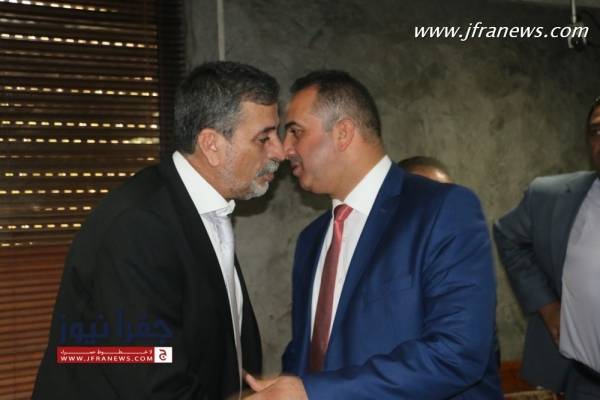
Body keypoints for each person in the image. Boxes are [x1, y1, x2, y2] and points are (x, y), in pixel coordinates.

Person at [32, 61, 285, 400]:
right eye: (263, 138)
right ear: (211, 144)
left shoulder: (198, 205)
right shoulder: (139, 224)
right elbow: (153, 382)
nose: (280, 151)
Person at [245, 70, 501, 399]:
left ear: (343, 133)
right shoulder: (311, 239)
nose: (284, 149)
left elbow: (456, 353)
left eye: (295, 131)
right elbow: (308, 350)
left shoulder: (443, 209)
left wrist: (314, 393)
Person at [494, 97, 600, 399]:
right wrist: (547, 305)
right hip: (586, 384)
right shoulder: (551, 197)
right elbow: (508, 236)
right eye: (597, 130)